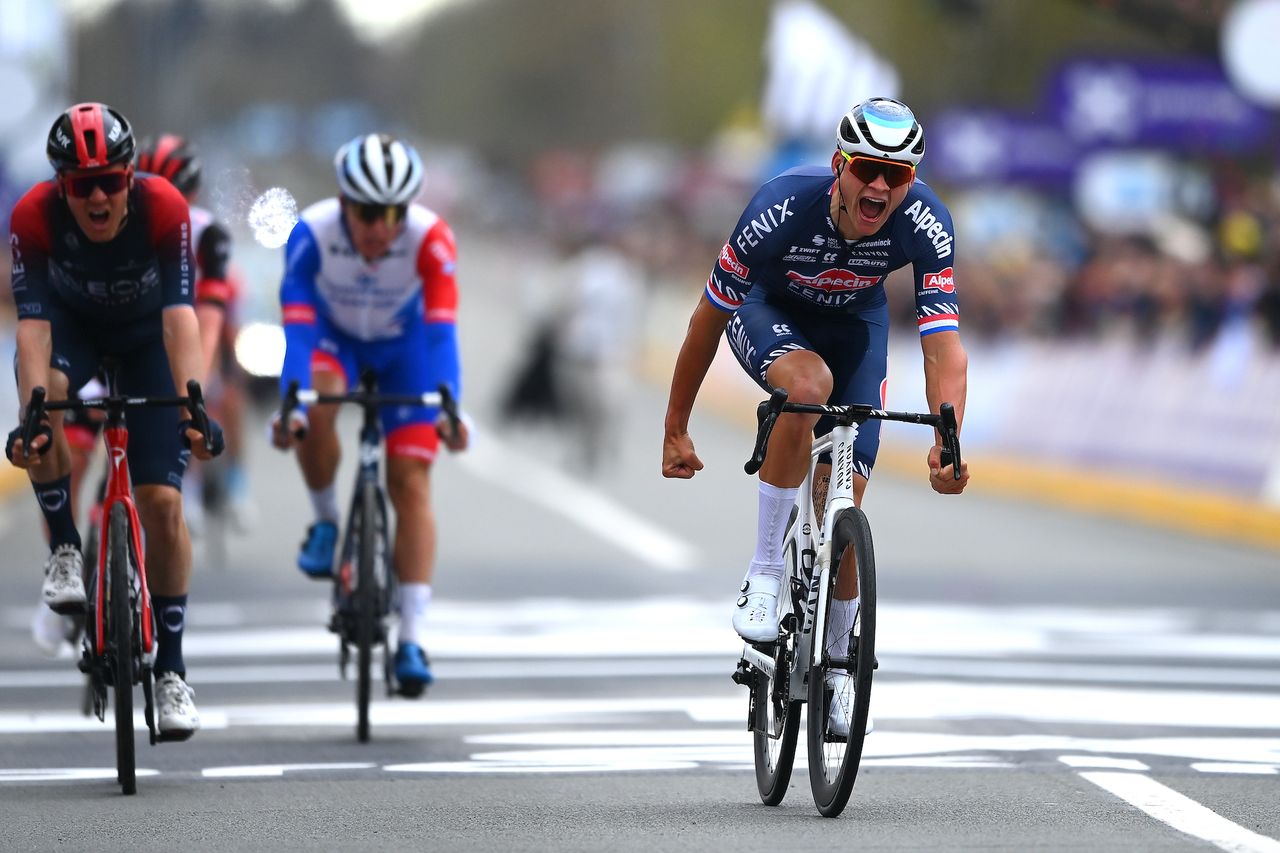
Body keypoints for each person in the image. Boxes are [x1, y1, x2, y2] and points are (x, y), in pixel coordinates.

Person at [661, 97, 970, 736]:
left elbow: (943, 347)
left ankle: (835, 666)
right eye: (866, 169)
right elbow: (705, 324)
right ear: (839, 165)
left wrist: (950, 440)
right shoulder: (780, 206)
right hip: (770, 312)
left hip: (857, 327)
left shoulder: (927, 223)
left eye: (898, 176)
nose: (880, 186)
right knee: (807, 384)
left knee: (847, 502)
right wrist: (676, 426)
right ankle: (766, 572)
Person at [7, 102, 223, 738]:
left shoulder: (164, 209)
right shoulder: (32, 217)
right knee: (44, 414)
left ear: (131, 177)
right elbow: (33, 331)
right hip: (72, 330)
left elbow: (181, 317)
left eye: (110, 180)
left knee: (162, 503)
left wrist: (193, 402)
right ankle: (66, 550)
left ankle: (173, 670)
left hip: (145, 341)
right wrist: (31, 413)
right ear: (60, 186)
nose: (97, 196)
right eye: (80, 184)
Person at [270, 133, 468, 697]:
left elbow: (441, 333)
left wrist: (449, 403)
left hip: (404, 351)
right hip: (337, 343)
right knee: (318, 399)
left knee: (410, 482)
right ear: (343, 202)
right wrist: (292, 398)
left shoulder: (432, 239)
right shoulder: (311, 234)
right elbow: (300, 331)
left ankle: (410, 636)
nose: (381, 226)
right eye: (367, 212)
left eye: (393, 212)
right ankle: (328, 518)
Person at [136, 134, 256, 535]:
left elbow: (219, 321)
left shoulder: (206, 233)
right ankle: (182, 480)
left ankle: (238, 482)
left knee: (231, 387)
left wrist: (201, 384)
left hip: (206, 323)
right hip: (155, 328)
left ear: (194, 192)